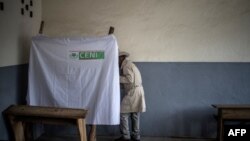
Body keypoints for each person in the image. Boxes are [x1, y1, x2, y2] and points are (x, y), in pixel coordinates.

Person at [115, 51, 146, 141]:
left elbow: (129, 79)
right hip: (138, 90)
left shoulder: (126, 66)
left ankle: (126, 136)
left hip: (133, 92)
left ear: (121, 58)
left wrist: (116, 78)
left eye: (117, 59)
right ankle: (136, 136)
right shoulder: (130, 64)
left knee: (123, 113)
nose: (117, 61)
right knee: (135, 114)